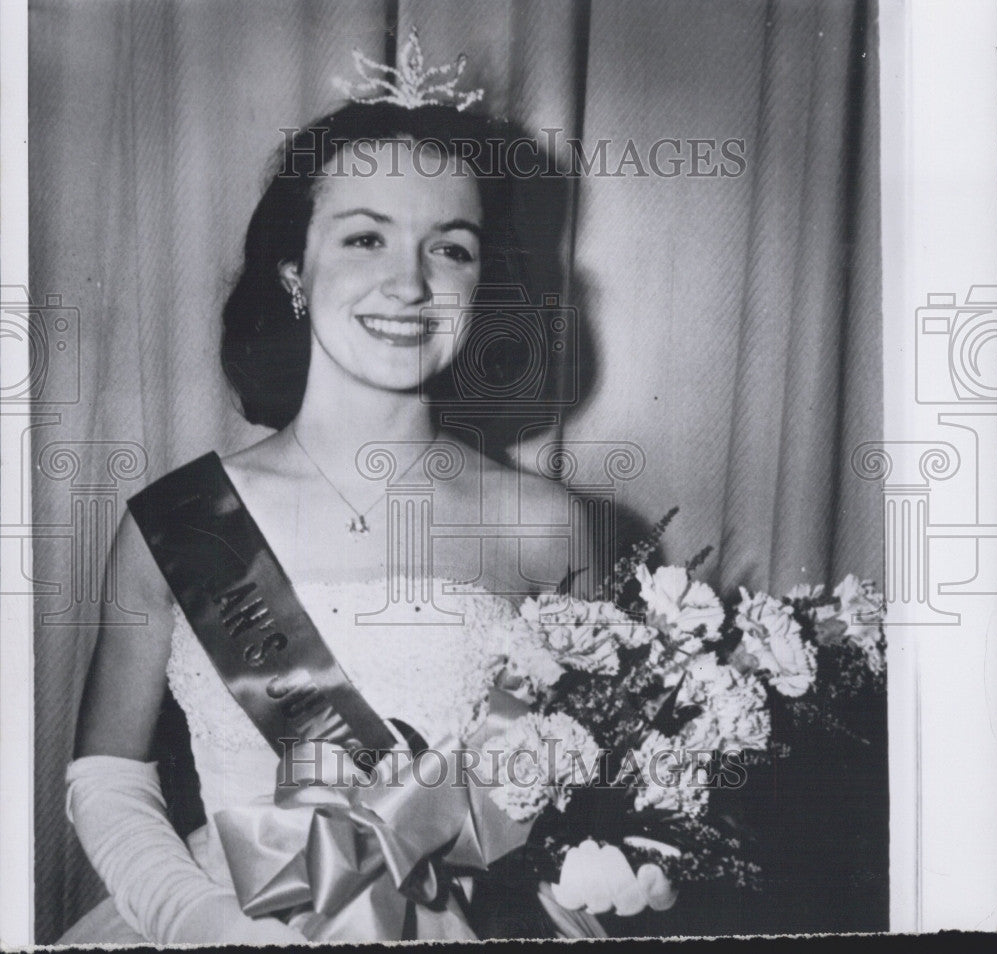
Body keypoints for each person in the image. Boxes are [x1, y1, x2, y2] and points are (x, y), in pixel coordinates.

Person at [60, 62, 648, 943]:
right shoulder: (174, 523)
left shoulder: (549, 528)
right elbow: (107, 777)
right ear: (295, 270)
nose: (410, 285)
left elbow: (596, 782)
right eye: (365, 239)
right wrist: (203, 922)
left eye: (450, 246)